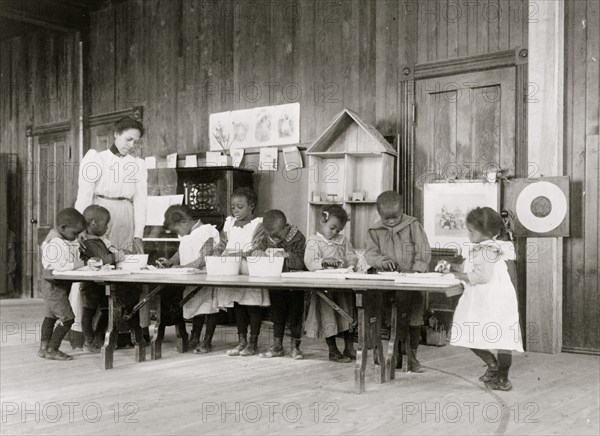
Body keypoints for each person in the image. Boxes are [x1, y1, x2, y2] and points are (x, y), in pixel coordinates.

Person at [74, 116, 150, 341]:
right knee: (98, 268)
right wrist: (81, 226)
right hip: (98, 215)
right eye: (128, 139)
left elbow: (142, 200)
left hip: (126, 215)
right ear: (116, 135)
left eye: (136, 142)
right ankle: (92, 331)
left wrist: (138, 234)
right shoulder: (96, 159)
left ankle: (124, 330)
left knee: (124, 270)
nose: (131, 145)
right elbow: (84, 194)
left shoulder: (138, 164)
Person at [446, 207, 523, 391]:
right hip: (499, 297)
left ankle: (496, 369)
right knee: (503, 337)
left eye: (472, 231)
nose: (469, 234)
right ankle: (501, 376)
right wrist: (454, 267)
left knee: (468, 332)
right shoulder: (493, 247)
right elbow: (472, 268)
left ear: (487, 233)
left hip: (487, 298)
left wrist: (459, 276)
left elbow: (481, 276)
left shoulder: (484, 250)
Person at [364, 191, 431, 373]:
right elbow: (370, 254)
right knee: (392, 319)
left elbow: (423, 250)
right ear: (379, 214)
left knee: (413, 319)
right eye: (387, 219)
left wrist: (416, 269)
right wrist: (382, 262)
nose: (392, 221)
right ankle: (396, 356)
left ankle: (412, 357)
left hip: (413, 282)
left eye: (395, 217)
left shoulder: (413, 225)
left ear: (402, 210)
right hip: (389, 285)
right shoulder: (375, 231)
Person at [213, 187, 269, 357]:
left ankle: (253, 342)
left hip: (249, 270)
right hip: (232, 270)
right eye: (233, 207)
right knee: (238, 305)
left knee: (252, 306)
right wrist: (216, 253)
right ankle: (242, 341)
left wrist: (239, 253)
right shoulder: (229, 223)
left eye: (240, 206)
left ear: (251, 206)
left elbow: (259, 247)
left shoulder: (258, 224)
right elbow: (222, 243)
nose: (235, 210)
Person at [159, 205, 220, 353]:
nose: (177, 233)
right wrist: (171, 262)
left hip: (207, 277)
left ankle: (207, 341)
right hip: (192, 278)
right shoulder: (188, 234)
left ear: (184, 222)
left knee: (209, 308)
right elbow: (182, 250)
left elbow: (206, 258)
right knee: (196, 307)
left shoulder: (206, 231)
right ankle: (195, 337)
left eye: (176, 230)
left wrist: (183, 267)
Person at [304, 204, 357, 363]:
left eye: (338, 230)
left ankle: (349, 348)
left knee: (347, 315)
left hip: (342, 287)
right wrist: (324, 262)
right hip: (325, 289)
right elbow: (309, 262)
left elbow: (352, 256)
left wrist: (348, 261)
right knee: (328, 317)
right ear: (322, 220)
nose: (334, 233)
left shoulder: (343, 241)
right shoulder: (314, 241)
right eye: (332, 228)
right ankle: (333, 350)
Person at [253, 210, 306, 359]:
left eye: (276, 235)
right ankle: (277, 346)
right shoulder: (267, 238)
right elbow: (257, 250)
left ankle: (295, 347)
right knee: (277, 315)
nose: (274, 238)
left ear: (285, 227)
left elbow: (303, 261)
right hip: (276, 283)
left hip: (295, 284)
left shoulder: (298, 237)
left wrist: (286, 255)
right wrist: (258, 253)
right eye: (270, 235)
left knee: (295, 315)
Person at [39, 208, 87, 360]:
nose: (75, 237)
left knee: (50, 316)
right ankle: (53, 349)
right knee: (68, 319)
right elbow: (60, 266)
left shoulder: (58, 239)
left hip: (52, 286)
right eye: (74, 233)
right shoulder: (56, 243)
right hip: (55, 287)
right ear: (63, 228)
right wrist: (82, 263)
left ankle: (44, 348)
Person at [78, 205, 127, 353]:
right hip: (91, 284)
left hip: (102, 283)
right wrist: (116, 256)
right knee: (89, 311)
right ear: (93, 223)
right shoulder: (88, 243)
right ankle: (88, 341)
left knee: (106, 310)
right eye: (105, 224)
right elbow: (101, 260)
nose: (107, 228)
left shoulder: (99, 241)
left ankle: (98, 339)